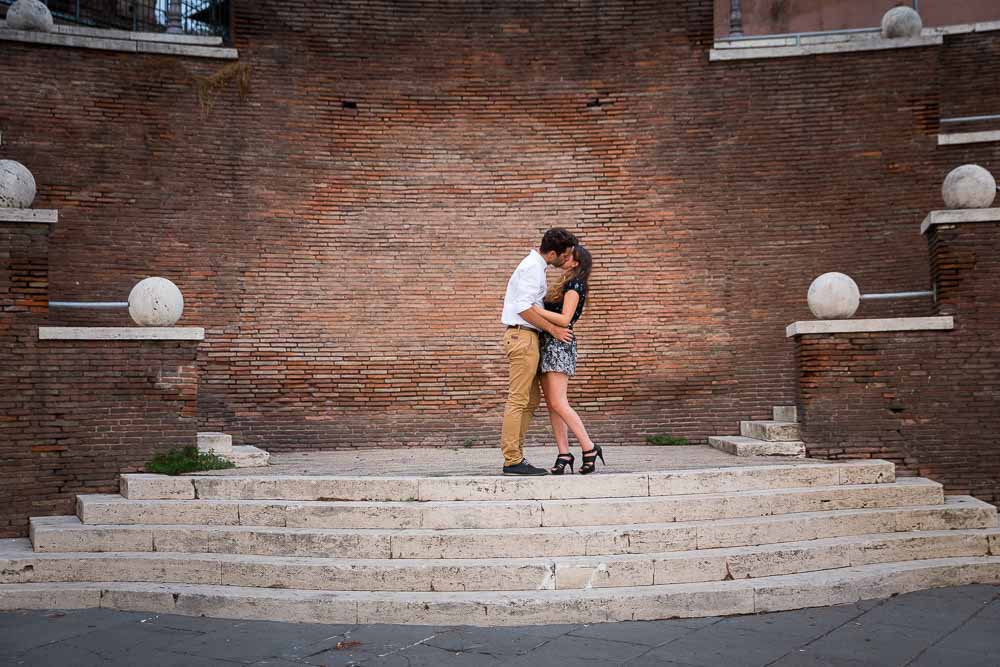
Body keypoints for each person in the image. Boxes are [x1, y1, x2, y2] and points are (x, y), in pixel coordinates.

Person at [499, 228, 577, 476]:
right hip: (522, 336)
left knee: (530, 401)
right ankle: (512, 460)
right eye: (564, 256)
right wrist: (554, 330)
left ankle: (516, 456)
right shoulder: (532, 267)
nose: (565, 260)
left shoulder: (536, 266)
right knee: (518, 399)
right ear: (552, 252)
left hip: (527, 337)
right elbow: (523, 307)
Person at [530, 244, 604, 474]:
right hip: (547, 342)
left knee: (559, 402)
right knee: (553, 405)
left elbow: (564, 319)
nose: (564, 257)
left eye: (569, 255)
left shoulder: (575, 284)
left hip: (559, 344)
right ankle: (564, 453)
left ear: (576, 262)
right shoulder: (565, 281)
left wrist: (533, 309)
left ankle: (589, 447)